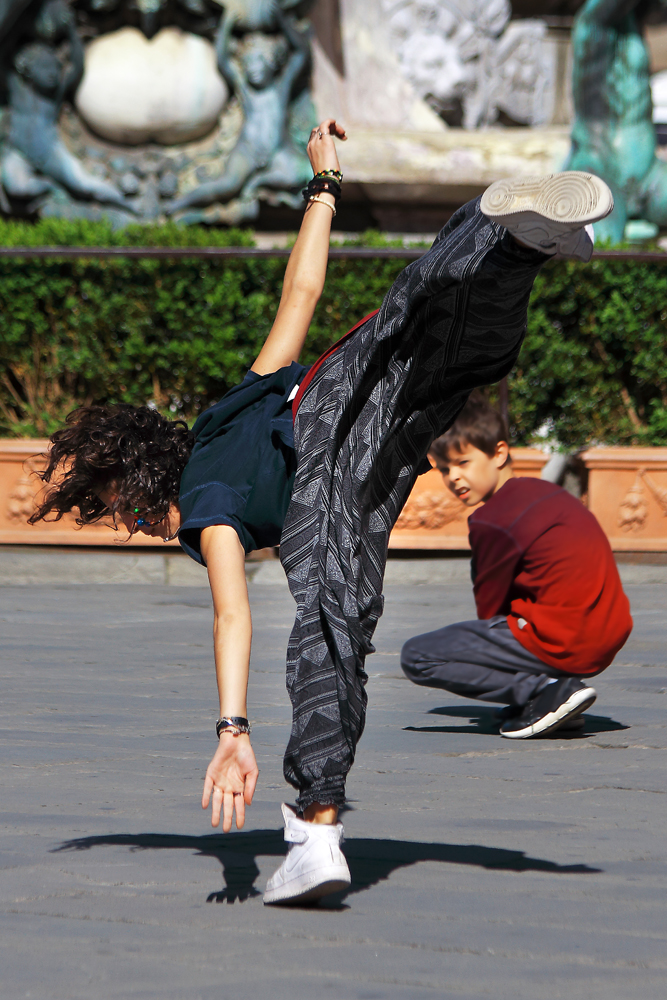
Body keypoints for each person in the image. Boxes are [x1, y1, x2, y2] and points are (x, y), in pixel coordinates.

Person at [28, 123, 615, 904]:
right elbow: (299, 295)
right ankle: (504, 240)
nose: (133, 525)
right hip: (339, 396)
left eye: (119, 509)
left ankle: (316, 831)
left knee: (331, 627)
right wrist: (324, 184)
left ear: (137, 479)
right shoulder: (222, 416)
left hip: (328, 467)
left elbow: (231, 617)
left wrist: (232, 731)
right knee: (426, 342)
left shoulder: (206, 507)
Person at [401, 394, 633, 738]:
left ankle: (543, 692)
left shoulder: (492, 520)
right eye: (445, 469)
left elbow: (490, 608)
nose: (454, 478)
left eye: (463, 462)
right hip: (607, 634)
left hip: (561, 637)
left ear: (499, 453)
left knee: (417, 656)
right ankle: (549, 698)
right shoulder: (547, 492)